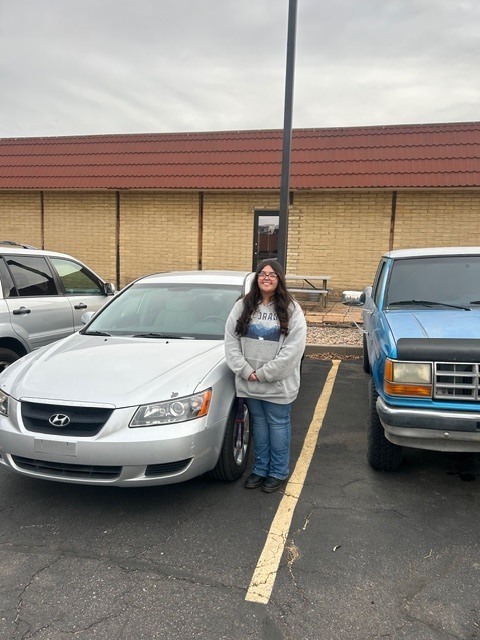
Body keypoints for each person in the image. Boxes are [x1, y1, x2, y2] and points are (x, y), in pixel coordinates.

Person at [224, 259, 307, 493]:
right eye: (262, 273)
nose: (267, 278)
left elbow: (293, 350)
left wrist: (264, 374)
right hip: (249, 382)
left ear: (279, 279)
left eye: (272, 274)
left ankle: (278, 471)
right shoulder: (242, 306)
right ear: (256, 278)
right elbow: (230, 341)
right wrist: (245, 371)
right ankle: (260, 469)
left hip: (278, 385)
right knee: (259, 425)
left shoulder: (292, 309)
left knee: (277, 424)